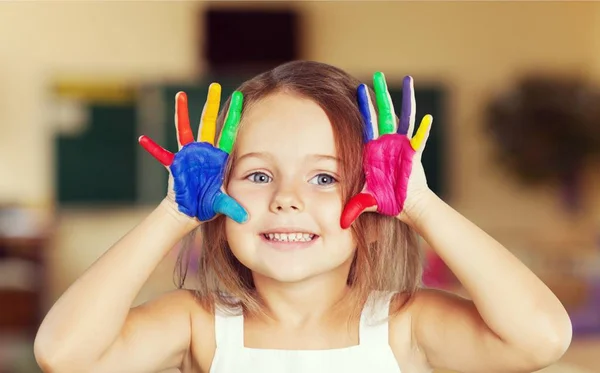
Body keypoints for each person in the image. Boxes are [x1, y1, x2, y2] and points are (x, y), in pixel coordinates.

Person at [33, 61, 572, 373]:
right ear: (214, 197)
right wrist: (172, 213)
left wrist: (422, 205)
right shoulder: (198, 324)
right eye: (260, 176)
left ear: (373, 199)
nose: (287, 199)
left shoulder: (405, 324)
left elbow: (542, 337)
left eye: (324, 178)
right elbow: (63, 355)